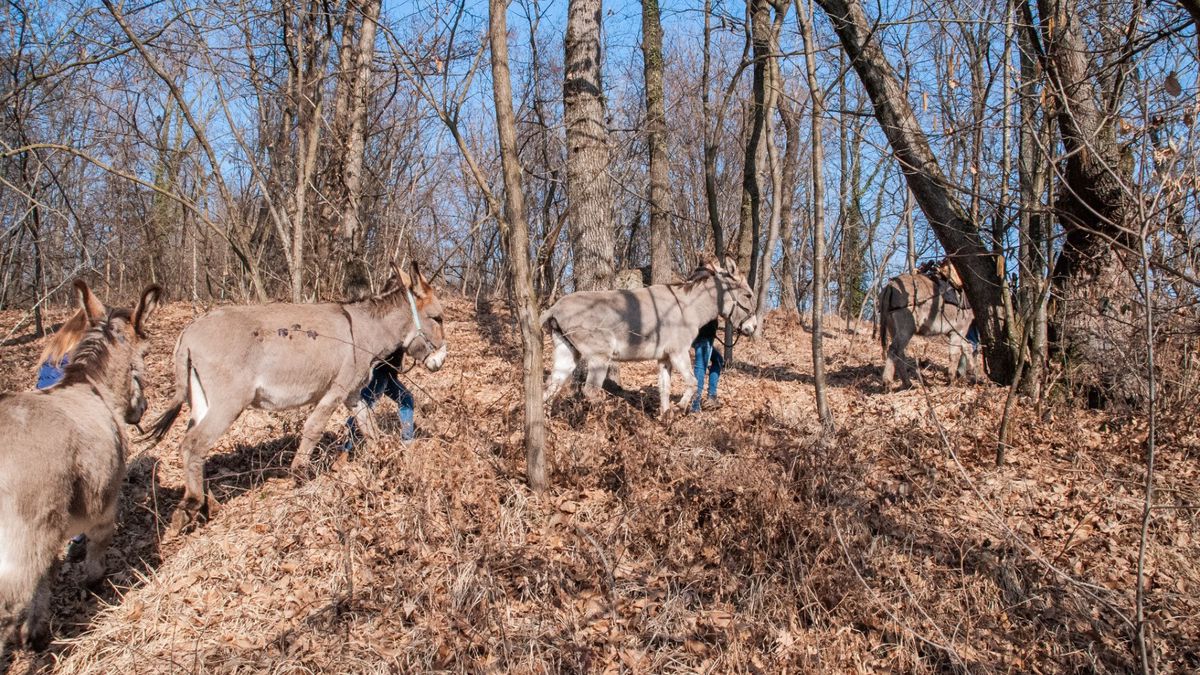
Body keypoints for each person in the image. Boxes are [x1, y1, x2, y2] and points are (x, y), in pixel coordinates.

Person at [34, 305, 92, 560]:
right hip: (65, 418)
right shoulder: (84, 350)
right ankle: (77, 535)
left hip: (40, 417)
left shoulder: (54, 348)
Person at [344, 347, 416, 450]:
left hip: (388, 374)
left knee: (406, 399)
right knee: (364, 408)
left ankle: (407, 441)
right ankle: (346, 446)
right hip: (378, 372)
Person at [691, 319, 724, 412]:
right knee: (701, 366)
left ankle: (712, 396)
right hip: (703, 334)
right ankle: (695, 406)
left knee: (718, 360)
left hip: (703, 334)